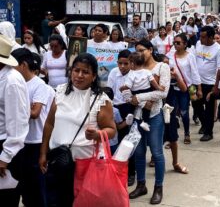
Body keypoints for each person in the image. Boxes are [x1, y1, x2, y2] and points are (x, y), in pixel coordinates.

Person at [39, 53, 116, 207]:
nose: (79, 75)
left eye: (85, 72)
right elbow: (49, 124)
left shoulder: (101, 100)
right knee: (56, 201)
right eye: (76, 70)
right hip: (58, 160)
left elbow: (112, 129)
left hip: (84, 164)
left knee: (80, 202)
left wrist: (97, 134)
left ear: (94, 76)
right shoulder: (60, 92)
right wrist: (43, 152)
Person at [11, 49, 54, 207]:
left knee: (35, 190)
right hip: (19, 141)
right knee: (19, 185)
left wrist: (14, 107)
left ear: (22, 65)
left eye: (12, 66)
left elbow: (35, 112)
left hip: (35, 142)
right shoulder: (16, 82)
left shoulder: (39, 84)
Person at [129, 40, 170, 205]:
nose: (139, 54)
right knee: (138, 153)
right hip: (138, 115)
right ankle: (141, 185)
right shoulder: (135, 69)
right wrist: (138, 101)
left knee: (157, 152)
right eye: (136, 51)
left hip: (154, 115)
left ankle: (158, 188)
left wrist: (139, 97)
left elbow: (163, 92)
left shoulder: (162, 67)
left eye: (142, 50)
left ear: (151, 50)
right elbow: (129, 93)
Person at [0, 35, 30, 206]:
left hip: (7, 148)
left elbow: (18, 124)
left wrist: (5, 157)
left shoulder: (11, 81)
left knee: (6, 199)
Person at [107, 49, 136, 186]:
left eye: (126, 63)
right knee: (116, 141)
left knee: (129, 141)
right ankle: (117, 170)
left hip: (129, 107)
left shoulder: (135, 74)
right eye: (120, 63)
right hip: (116, 107)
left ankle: (131, 173)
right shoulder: (113, 73)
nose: (122, 66)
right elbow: (109, 91)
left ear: (131, 63)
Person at [167, 34, 202, 144]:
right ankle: (172, 138)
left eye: (178, 43)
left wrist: (199, 88)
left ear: (185, 44)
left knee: (184, 112)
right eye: (174, 42)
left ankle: (187, 133)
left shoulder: (190, 56)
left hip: (185, 90)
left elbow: (195, 73)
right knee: (171, 113)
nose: (175, 45)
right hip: (172, 88)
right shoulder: (169, 55)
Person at [194, 26, 220, 141]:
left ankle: (208, 132)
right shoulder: (198, 44)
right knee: (196, 105)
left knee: (209, 109)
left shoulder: (218, 49)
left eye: (203, 37)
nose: (200, 39)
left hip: (210, 83)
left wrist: (215, 87)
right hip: (197, 82)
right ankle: (204, 124)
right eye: (200, 36)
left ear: (211, 37)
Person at [120, 52, 165, 132]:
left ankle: (130, 114)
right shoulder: (147, 72)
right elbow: (153, 82)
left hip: (136, 93)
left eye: (129, 63)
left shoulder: (131, 74)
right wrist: (159, 87)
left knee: (132, 105)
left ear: (133, 64)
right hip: (147, 92)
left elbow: (128, 86)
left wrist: (122, 88)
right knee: (147, 109)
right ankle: (145, 122)